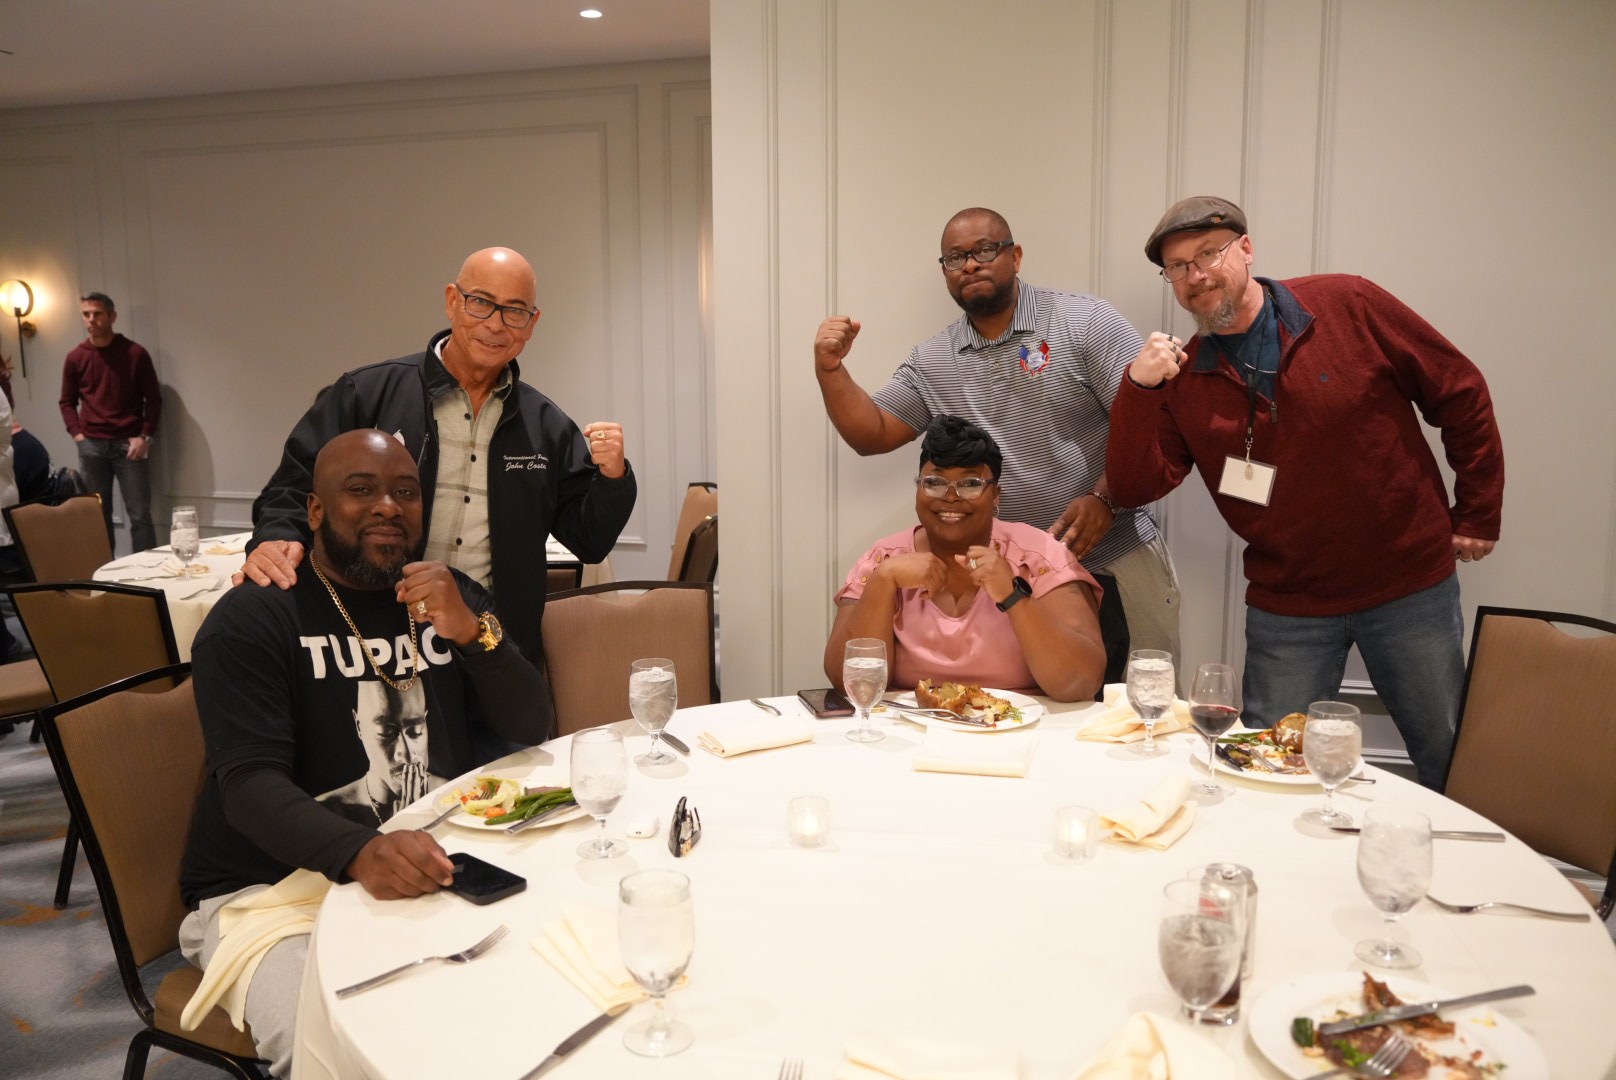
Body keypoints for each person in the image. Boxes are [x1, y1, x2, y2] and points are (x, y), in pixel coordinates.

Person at [179, 429, 553, 1077]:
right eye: (362, 490)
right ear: (315, 511)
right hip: (270, 894)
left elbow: (532, 722)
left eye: (405, 492)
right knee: (335, 1043)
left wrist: (472, 634)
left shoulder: (449, 598)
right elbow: (249, 786)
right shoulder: (258, 615)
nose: (388, 506)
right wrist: (359, 851)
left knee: (542, 991)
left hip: (433, 861)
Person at [1107, 196, 1505, 789]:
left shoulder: (1347, 303)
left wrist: (1477, 511)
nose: (1197, 275)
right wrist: (1139, 390)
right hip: (1289, 601)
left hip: (1407, 582)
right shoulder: (1184, 376)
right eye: (1179, 267)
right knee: (1268, 766)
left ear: (1246, 249)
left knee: (1448, 753)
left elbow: (1459, 390)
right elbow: (1135, 486)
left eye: (1209, 254)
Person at [813, 207, 1179, 686]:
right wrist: (831, 371)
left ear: (1016, 256)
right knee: (1028, 702)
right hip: (1003, 572)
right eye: (955, 258)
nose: (970, 264)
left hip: (1114, 550)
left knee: (1142, 703)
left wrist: (1107, 497)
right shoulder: (935, 359)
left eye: (985, 250)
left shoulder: (1084, 322)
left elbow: (1154, 422)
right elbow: (873, 433)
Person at [241, 247, 636, 664]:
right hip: (378, 638)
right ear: (452, 301)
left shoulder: (547, 426)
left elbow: (589, 540)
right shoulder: (367, 394)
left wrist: (613, 478)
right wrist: (276, 537)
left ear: (531, 324)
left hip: (489, 642)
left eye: (515, 311)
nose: (495, 324)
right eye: (481, 302)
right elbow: (292, 487)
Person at [826, 415, 1106, 702]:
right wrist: (883, 580)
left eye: (971, 484)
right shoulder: (883, 560)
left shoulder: (1039, 557)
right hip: (910, 725)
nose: (951, 497)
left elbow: (1081, 683)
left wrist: (1013, 595)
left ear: (995, 495)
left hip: (1024, 724)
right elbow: (848, 683)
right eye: (934, 482)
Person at [58, 291, 162, 551]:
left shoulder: (134, 353)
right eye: (86, 314)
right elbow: (67, 401)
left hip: (129, 445)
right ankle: (103, 571)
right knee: (96, 515)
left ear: (112, 316)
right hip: (91, 446)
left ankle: (147, 571)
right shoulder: (76, 357)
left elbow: (154, 399)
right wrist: (78, 435)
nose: (91, 319)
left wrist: (145, 437)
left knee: (140, 515)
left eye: (97, 314)